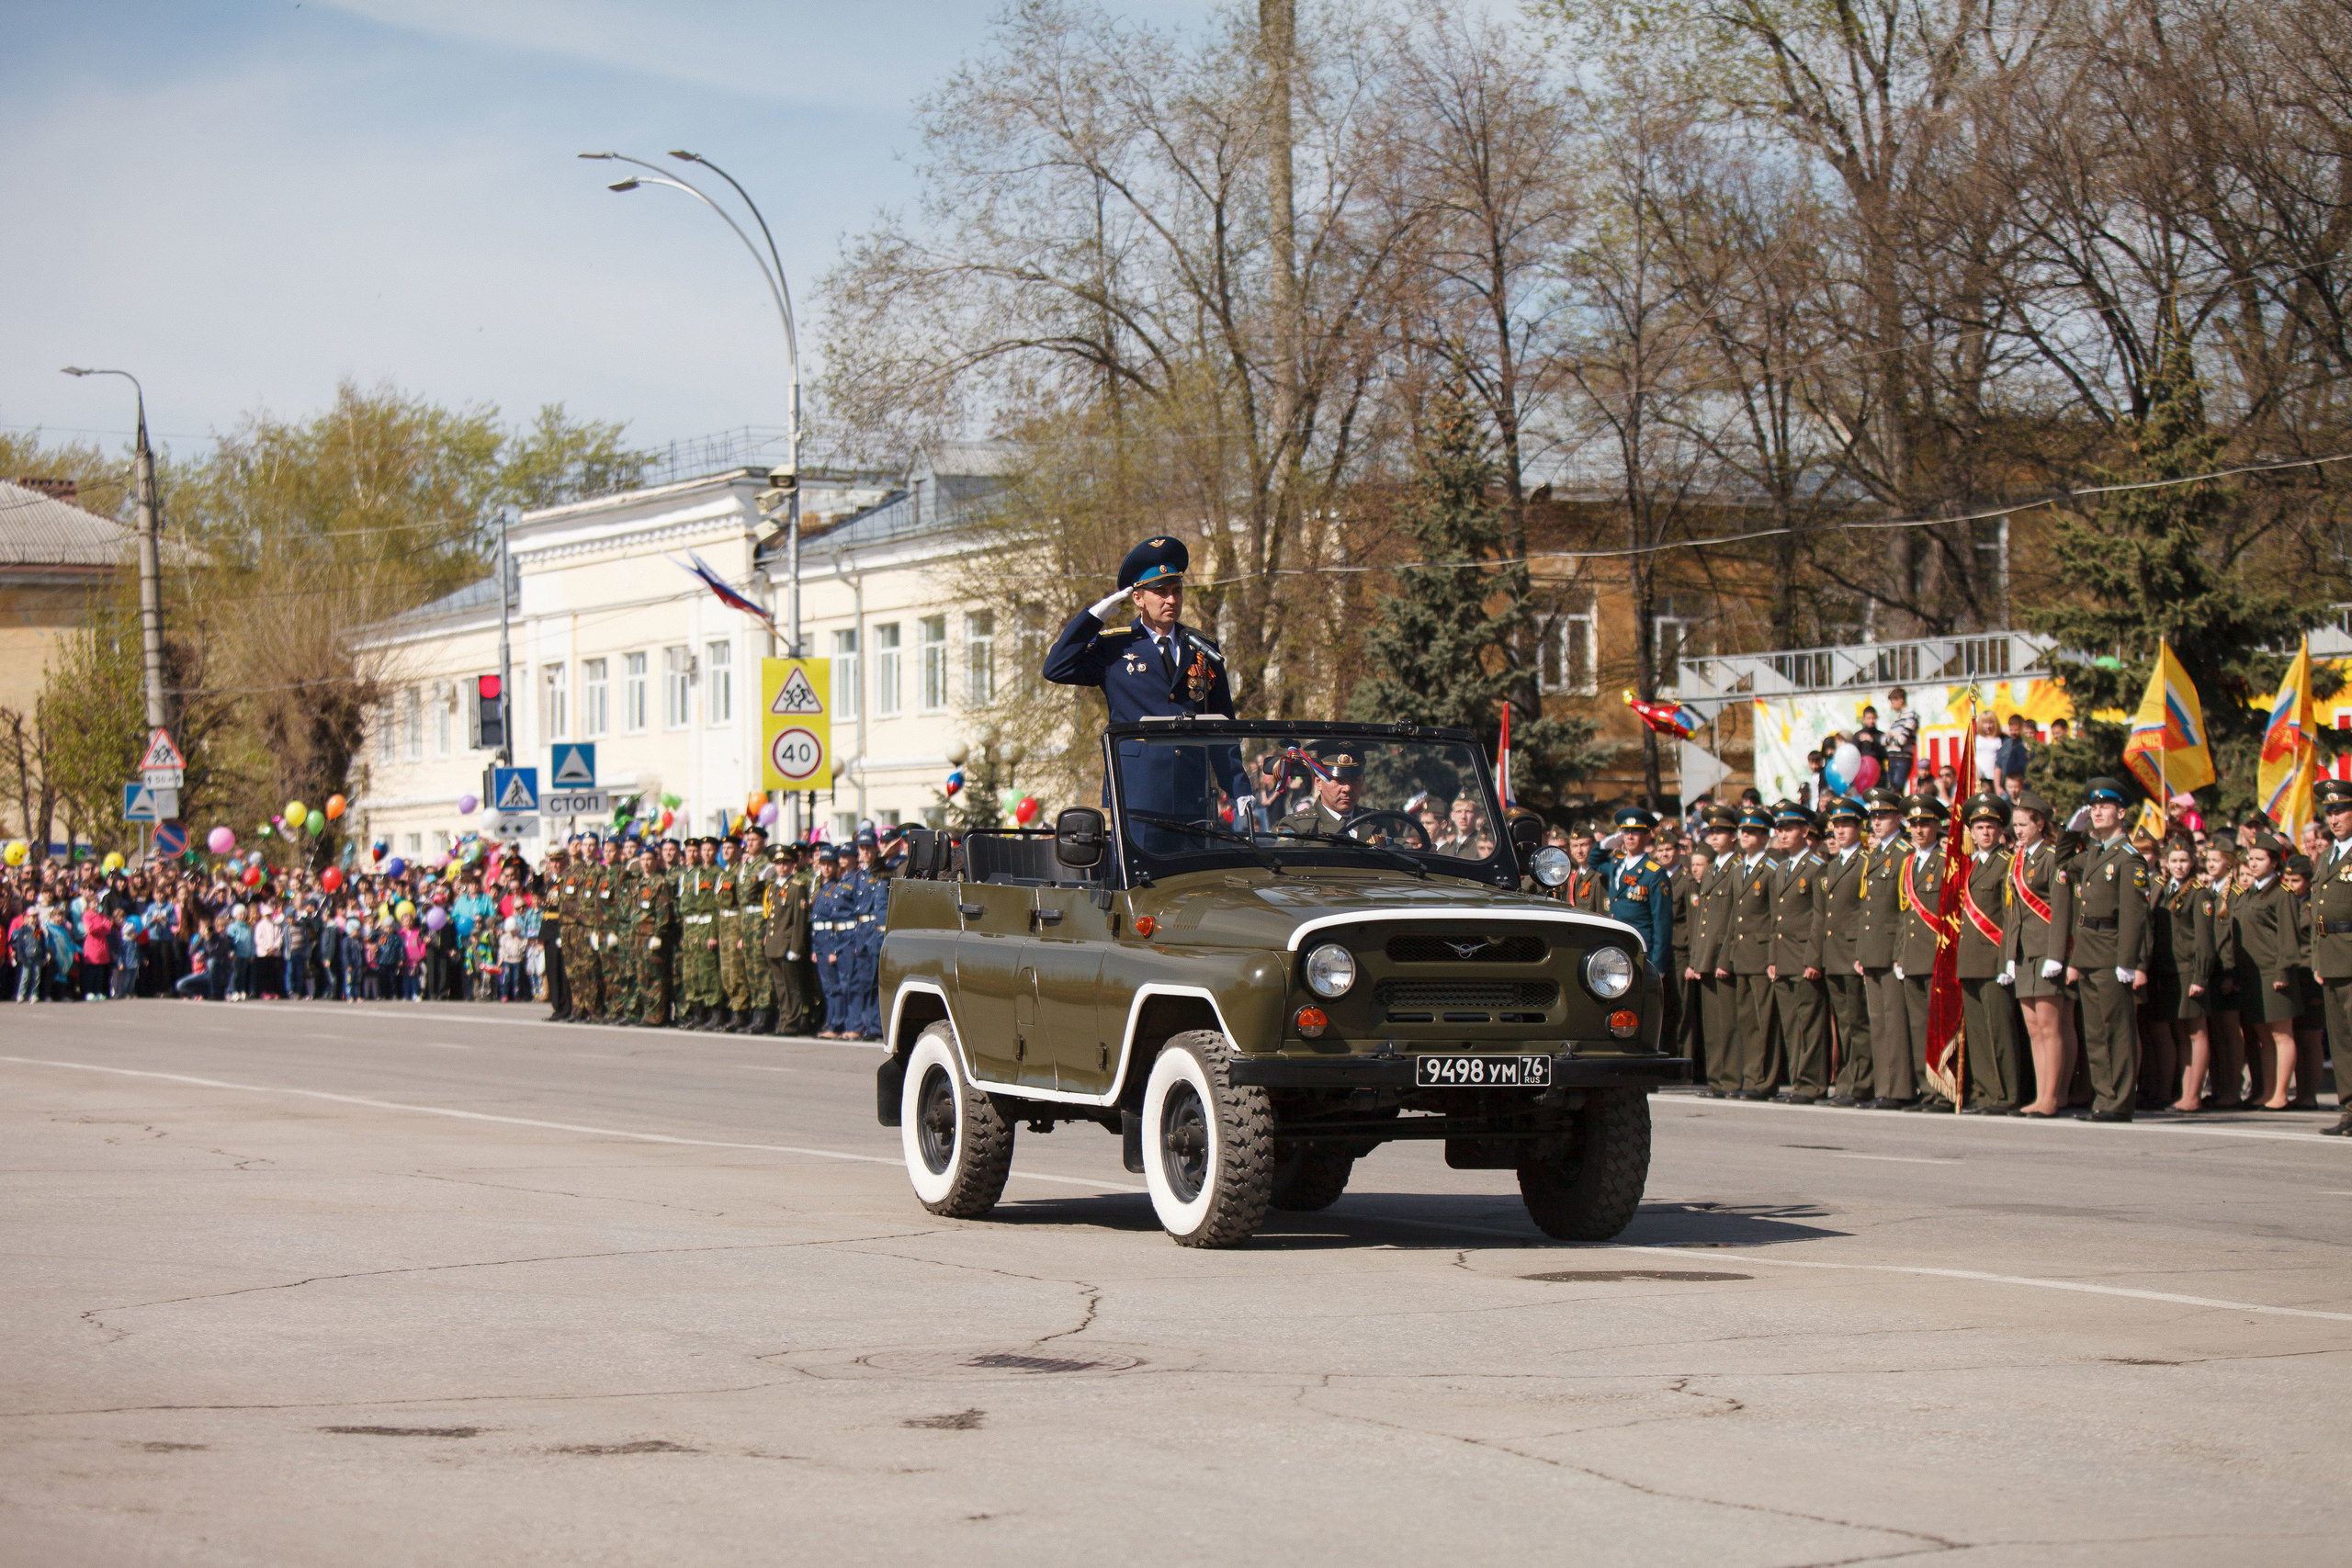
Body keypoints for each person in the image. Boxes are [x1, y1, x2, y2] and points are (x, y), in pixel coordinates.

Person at [1042, 535, 1237, 724]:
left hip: (1192, 757)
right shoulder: (1114, 647)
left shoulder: (1201, 646)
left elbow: (1225, 723)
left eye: (1177, 591)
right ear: (1138, 599)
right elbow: (1056, 668)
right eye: (1161, 592)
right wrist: (1094, 617)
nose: (1172, 600)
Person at [2067, 778, 2152, 1122]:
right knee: (2096, 1031)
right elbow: (2062, 861)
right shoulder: (2094, 854)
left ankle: (2120, 1101)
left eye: (2104, 806)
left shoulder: (2129, 858)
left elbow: (2135, 915)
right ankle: (2104, 1097)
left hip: (2111, 950)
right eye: (2093, 807)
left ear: (2121, 812)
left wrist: (2128, 961)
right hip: (2088, 950)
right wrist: (2070, 831)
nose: (2097, 811)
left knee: (2116, 1029)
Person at [2004, 791, 2075, 1118]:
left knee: (2050, 1026)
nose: (2018, 830)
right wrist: (2009, 955)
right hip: (2024, 953)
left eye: (2024, 824)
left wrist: (2057, 954)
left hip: (2047, 950)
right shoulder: (2019, 858)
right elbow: (2013, 913)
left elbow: (2061, 910)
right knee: (2034, 1028)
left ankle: (2051, 1096)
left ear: (2040, 823)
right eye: (2015, 824)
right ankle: (2041, 1094)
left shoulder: (2052, 856)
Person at [1954, 793, 2019, 1113]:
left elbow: (2009, 916)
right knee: (1978, 1033)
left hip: (1993, 958)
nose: (1985, 833)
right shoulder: (1966, 866)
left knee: (1999, 1031)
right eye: (1979, 827)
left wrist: (2008, 958)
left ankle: (2004, 1094)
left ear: (2000, 830)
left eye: (1991, 826)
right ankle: (1983, 1091)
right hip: (1969, 959)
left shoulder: (2006, 864)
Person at [1765, 801, 1827, 1102]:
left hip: (1804, 956)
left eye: (1789, 829)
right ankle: (1798, 1081)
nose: (1783, 835)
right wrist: (1773, 959)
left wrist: (1813, 959)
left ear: (1805, 831)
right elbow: (1777, 919)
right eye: (1780, 830)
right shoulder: (1781, 869)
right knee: (1791, 1024)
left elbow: (1819, 917)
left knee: (1809, 1024)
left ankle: (1811, 1083)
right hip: (1785, 956)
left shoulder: (1816, 867)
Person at [2145, 837, 2213, 1113]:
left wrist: (2200, 976)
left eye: (2184, 860)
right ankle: (2178, 1092)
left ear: (2193, 862)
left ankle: (2193, 1095)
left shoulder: (2199, 893)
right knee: (2180, 1034)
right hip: (2167, 970)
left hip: (2189, 970)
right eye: (2173, 861)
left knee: (2196, 1032)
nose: (2179, 866)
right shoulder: (2163, 889)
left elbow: (2204, 942)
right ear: (2164, 863)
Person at [1815, 795, 1873, 1106]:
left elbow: (1866, 911)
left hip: (1852, 952)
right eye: (1835, 825)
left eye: (1846, 824)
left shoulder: (1865, 861)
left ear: (1858, 827)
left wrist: (1861, 952)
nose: (1839, 830)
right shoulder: (1834, 864)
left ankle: (1862, 1082)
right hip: (1834, 952)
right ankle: (1850, 1079)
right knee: (1846, 1022)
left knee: (1858, 1021)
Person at [1896, 795, 1953, 1111]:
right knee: (1918, 1026)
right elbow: (1903, 915)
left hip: (1935, 955)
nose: (1919, 830)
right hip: (1912, 956)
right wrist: (1899, 955)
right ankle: (1925, 1087)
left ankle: (1943, 1089)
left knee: (1938, 1027)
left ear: (1937, 826)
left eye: (1925, 823)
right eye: (1914, 824)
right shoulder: (1908, 864)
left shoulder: (1945, 863)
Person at [2305, 778, 2352, 1134]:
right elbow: (2317, 909)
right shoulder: (2326, 857)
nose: (2334, 818)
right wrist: (2318, 960)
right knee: (2341, 1040)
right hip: (2331, 957)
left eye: (2341, 810)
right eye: (2330, 812)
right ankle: (2350, 1109)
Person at [1686, 803, 1740, 1097]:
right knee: (1713, 1026)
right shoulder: (1711, 871)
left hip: (1722, 957)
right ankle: (1717, 1079)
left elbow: (1733, 918)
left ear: (1734, 836)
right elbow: (1702, 920)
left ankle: (1731, 1079)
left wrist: (1725, 958)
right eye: (1712, 832)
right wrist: (1696, 960)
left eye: (1721, 832)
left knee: (1728, 1023)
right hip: (1706, 956)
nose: (1715, 837)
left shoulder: (1737, 868)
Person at [1724, 803, 1778, 1100]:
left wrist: (1773, 957)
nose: (1744, 835)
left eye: (1751, 831)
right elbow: (1735, 915)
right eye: (1742, 830)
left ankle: (1763, 1080)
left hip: (1761, 954)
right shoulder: (1739, 869)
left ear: (1764, 835)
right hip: (1743, 953)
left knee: (1763, 1021)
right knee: (1746, 1020)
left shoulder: (1770, 868)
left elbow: (1774, 917)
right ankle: (1750, 1077)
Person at [1598, 807, 1672, 965]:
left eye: (1636, 831)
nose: (1630, 836)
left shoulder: (1654, 873)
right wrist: (1606, 843)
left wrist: (1657, 964)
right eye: (1626, 831)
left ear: (1647, 836)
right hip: (1615, 946)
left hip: (1639, 949)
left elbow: (1661, 923)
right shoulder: (1616, 864)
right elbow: (1594, 862)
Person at [1275, 750, 1363, 837]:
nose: (1347, 788)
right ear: (1319, 782)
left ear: (1363, 780)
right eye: (1339, 780)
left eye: (1354, 780)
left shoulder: (1374, 821)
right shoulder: (1297, 827)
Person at [1883, 687, 1919, 795]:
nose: (1892, 705)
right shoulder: (1897, 719)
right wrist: (1894, 736)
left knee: (1897, 789)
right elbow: (1885, 740)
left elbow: (1902, 740)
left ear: (1901, 700)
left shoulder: (1911, 716)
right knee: (1891, 789)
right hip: (1892, 758)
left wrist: (1892, 737)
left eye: (1893, 702)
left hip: (1902, 758)